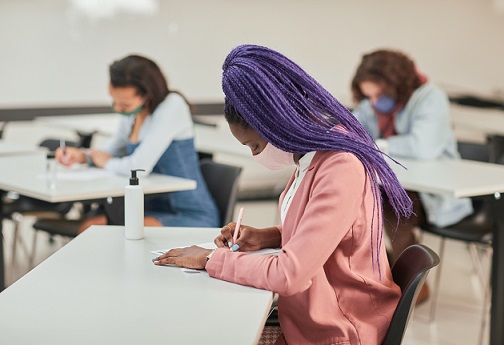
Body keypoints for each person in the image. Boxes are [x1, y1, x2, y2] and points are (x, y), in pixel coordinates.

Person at [153, 44, 414, 344]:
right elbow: (323, 230)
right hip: (312, 313)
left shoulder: (340, 166)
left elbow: (290, 274)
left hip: (339, 328)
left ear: (277, 126)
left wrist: (211, 259)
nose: (255, 156)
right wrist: (266, 236)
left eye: (254, 146)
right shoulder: (312, 157)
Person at [351, 49, 473, 302]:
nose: (373, 103)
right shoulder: (372, 104)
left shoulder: (430, 97)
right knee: (354, 201)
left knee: (391, 202)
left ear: (396, 84)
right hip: (397, 184)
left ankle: (408, 284)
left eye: (378, 95)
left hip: (434, 193)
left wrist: (379, 145)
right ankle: (387, 276)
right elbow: (352, 131)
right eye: (368, 96)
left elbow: (423, 146)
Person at [55, 54, 219, 232]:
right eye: (114, 101)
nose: (118, 109)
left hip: (189, 215)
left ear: (147, 95)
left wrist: (106, 162)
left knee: (95, 229)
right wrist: (82, 156)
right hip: (147, 208)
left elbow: (139, 168)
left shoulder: (172, 105)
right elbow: (110, 151)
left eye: (124, 105)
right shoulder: (134, 114)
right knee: (92, 225)